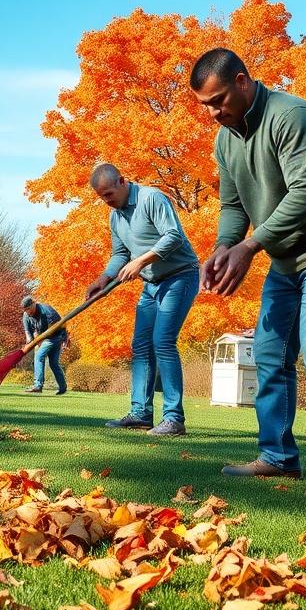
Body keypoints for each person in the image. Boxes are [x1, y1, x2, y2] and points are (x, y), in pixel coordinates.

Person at [191, 48, 306, 498]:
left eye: (218, 100)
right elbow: (233, 206)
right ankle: (277, 457)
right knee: (270, 355)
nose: (213, 112)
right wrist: (223, 246)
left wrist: (251, 246)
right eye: (205, 106)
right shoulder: (226, 139)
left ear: (243, 81)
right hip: (285, 258)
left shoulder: (293, 117)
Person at [86, 164, 200, 436]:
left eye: (109, 194)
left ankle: (174, 418)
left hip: (180, 276)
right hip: (151, 284)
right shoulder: (116, 216)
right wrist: (105, 277)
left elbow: (173, 236)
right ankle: (140, 413)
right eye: (101, 197)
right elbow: (120, 253)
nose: (107, 201)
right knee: (140, 345)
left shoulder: (152, 198)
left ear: (122, 181)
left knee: (163, 341)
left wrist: (141, 261)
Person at [21, 296, 68, 395]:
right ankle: (63, 387)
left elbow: (62, 325)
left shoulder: (47, 311)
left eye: (28, 308)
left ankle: (38, 385)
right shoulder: (26, 315)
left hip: (55, 337)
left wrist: (65, 339)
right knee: (54, 364)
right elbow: (28, 333)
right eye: (25, 310)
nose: (27, 312)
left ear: (34, 304)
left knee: (38, 357)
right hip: (43, 338)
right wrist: (29, 342)